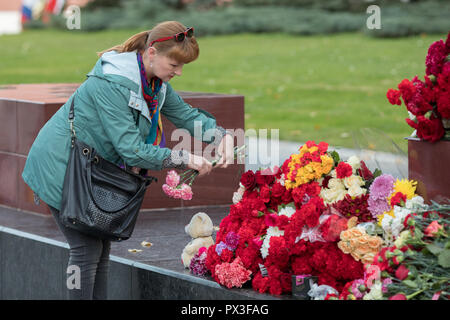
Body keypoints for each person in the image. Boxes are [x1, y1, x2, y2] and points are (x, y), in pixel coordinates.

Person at [21, 20, 234, 300]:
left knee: (101, 248)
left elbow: (186, 116)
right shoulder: (112, 84)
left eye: (183, 66)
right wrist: (183, 158)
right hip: (60, 166)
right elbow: (131, 149)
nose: (179, 72)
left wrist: (221, 136)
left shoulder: (153, 84)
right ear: (153, 53)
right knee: (85, 250)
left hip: (88, 169)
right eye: (175, 64)